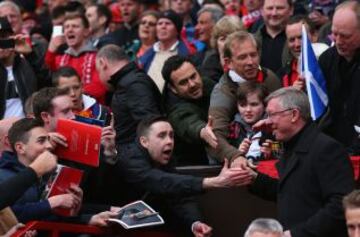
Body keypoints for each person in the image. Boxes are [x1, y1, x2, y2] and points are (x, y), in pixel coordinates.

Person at [116, 115, 254, 236]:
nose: (169, 141)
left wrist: (195, 223)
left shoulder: (167, 159)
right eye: (162, 135)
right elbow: (159, 181)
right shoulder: (130, 159)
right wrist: (212, 182)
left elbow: (180, 196)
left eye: (171, 135)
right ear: (144, 142)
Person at [244, 88, 354, 237]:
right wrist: (253, 178)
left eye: (271, 115)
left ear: (294, 115)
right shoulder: (292, 146)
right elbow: (292, 193)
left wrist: (296, 234)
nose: (268, 122)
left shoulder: (326, 149)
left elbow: (340, 205)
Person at [207, 31, 281, 165]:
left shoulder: (270, 78)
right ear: (228, 62)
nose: (250, 62)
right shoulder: (222, 92)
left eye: (253, 55)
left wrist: (274, 148)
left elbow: (285, 129)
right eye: (242, 57)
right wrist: (236, 155)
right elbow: (214, 138)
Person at [0, 118, 82, 223]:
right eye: (41, 140)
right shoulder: (3, 175)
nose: (49, 145)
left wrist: (75, 211)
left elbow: (51, 221)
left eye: (48, 139)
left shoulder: (49, 175)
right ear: (20, 148)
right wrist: (51, 203)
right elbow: (7, 216)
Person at [96, 44, 162, 149]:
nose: (99, 77)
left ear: (102, 63)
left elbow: (150, 128)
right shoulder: (127, 82)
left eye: (98, 71)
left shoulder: (134, 83)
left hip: (139, 162)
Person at [318, 0, 360, 154]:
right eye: (334, 34)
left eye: (345, 36)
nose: (338, 41)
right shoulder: (327, 59)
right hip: (332, 147)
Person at [162, 55, 216, 165]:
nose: (192, 84)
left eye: (193, 76)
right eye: (183, 82)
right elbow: (188, 124)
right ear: (173, 89)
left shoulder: (207, 84)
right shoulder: (175, 109)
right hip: (194, 168)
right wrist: (203, 131)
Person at [45, 13, 107, 103]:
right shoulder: (59, 59)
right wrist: (51, 49)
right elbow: (47, 69)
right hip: (67, 112)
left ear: (86, 31)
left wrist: (68, 91)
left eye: (75, 26)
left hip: (93, 112)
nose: (70, 30)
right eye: (66, 27)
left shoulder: (98, 57)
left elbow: (100, 87)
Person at [139, 9, 194, 92]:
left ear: (177, 30)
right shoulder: (148, 54)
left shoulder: (187, 53)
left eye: (168, 23)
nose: (163, 26)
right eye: (160, 23)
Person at [0, 17, 38, 119]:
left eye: (3, 37)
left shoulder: (28, 63)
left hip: (27, 128)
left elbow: (47, 83)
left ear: (13, 37)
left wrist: (30, 55)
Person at [227, 81, 272, 164]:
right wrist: (237, 153)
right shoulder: (233, 128)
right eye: (243, 105)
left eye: (254, 104)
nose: (248, 110)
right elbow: (225, 155)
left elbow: (283, 146)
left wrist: (272, 149)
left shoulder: (273, 125)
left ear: (265, 105)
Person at [254, 0, 293, 72]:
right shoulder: (252, 41)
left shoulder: (301, 40)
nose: (274, 13)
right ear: (262, 11)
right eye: (270, 8)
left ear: (291, 10)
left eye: (280, 8)